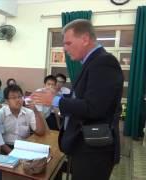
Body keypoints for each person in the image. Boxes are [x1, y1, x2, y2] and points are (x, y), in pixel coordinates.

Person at [31, 19, 123, 180]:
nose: (64, 48)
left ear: (85, 39)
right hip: (84, 145)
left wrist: (56, 101)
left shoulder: (103, 62)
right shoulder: (91, 62)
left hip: (93, 149)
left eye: (68, 43)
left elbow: (94, 107)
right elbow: (83, 98)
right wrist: (58, 96)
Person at [0, 85, 48, 154]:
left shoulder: (29, 112)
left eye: (20, 97)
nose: (18, 100)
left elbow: (41, 132)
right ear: (7, 101)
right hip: (6, 147)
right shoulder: (1, 113)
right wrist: (11, 153)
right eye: (13, 98)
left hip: (24, 146)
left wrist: (36, 111)